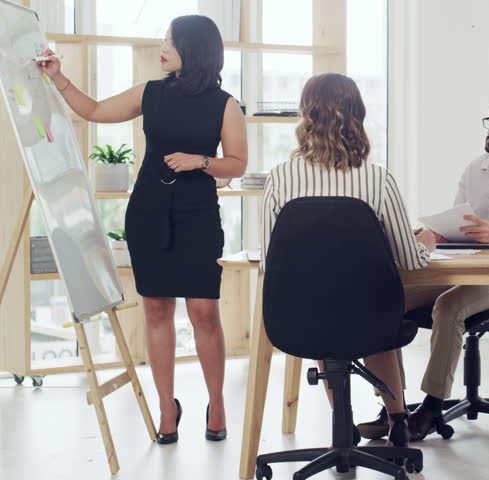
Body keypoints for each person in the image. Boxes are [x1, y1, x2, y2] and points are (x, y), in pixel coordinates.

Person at [37, 15, 248, 444]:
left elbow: (238, 164)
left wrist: (199, 161)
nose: (163, 46)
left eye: (172, 40)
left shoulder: (224, 104)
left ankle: (217, 403)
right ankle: (166, 407)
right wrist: (59, 77)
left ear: (195, 49)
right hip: (149, 212)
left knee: (204, 313)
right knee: (156, 309)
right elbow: (94, 111)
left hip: (197, 216)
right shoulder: (151, 93)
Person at [356, 92, 489, 441]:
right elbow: (457, 220)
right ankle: (394, 407)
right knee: (388, 296)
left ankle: (432, 408)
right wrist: (436, 232)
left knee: (448, 306)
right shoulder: (474, 169)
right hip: (465, 268)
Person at [261, 72, 436, 447]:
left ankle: (344, 423)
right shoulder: (377, 180)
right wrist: (427, 243)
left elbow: (267, 262)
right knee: (374, 318)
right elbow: (409, 260)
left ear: (305, 114)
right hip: (370, 315)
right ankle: (398, 420)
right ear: (358, 115)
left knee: (323, 315)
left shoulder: (279, 178)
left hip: (299, 317)